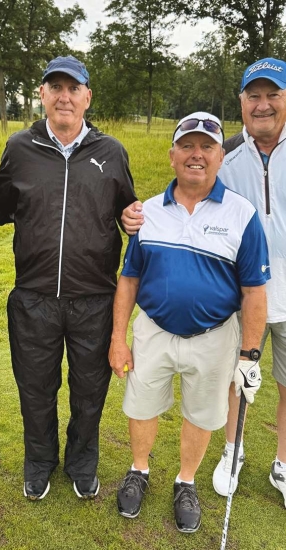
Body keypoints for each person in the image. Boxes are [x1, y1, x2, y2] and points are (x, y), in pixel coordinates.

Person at [122, 58, 286, 507]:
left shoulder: (236, 203)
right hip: (192, 316)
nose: (263, 104)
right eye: (254, 96)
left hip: (244, 309)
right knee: (217, 391)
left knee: (262, 388)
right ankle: (220, 452)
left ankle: (270, 465)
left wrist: (250, 356)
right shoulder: (225, 158)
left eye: (273, 94)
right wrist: (132, 215)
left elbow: (252, 285)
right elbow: (131, 274)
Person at [0, 55, 137, 501]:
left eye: (73, 88)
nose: (64, 97)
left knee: (89, 390)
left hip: (94, 298)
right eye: (55, 87)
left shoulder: (111, 152)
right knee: (36, 389)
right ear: (42, 94)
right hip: (34, 297)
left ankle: (81, 462)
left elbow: (127, 209)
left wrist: (131, 217)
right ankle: (39, 462)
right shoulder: (20, 148)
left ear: (87, 96)